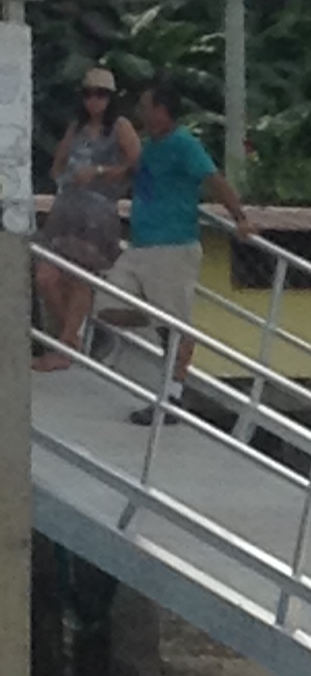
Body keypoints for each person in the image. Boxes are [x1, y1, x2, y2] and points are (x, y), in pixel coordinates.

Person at [102, 75, 250, 425]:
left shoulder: (185, 145)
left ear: (162, 111)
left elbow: (214, 181)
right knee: (108, 304)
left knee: (173, 325)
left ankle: (172, 398)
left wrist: (241, 217)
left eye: (145, 107)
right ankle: (163, 333)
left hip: (173, 245)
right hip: (141, 244)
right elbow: (132, 173)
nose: (141, 113)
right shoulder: (151, 147)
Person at [34, 66, 140, 369]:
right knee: (48, 276)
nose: (94, 101)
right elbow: (58, 163)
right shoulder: (76, 127)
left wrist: (101, 172)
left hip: (98, 210)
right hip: (68, 208)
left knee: (81, 278)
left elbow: (136, 164)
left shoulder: (120, 126)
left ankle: (64, 348)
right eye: (89, 94)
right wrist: (65, 178)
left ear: (111, 98)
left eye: (101, 95)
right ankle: (70, 339)